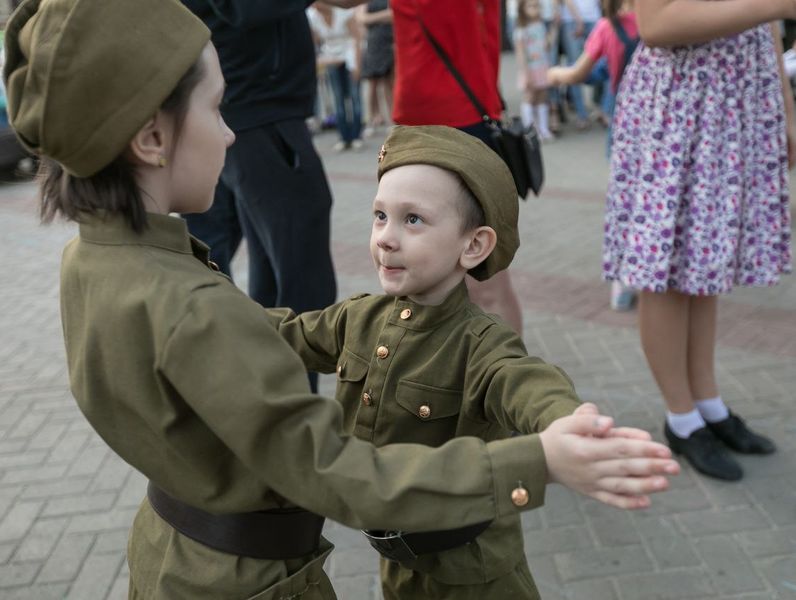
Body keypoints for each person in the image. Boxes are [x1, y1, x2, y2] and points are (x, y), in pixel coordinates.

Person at [4, 1, 680, 597]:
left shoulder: (92, 261)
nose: (231, 132)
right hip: (249, 581)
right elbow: (336, 468)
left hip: (173, 554)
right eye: (216, 108)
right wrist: (541, 461)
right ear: (151, 137)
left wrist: (559, 417)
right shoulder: (189, 307)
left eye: (413, 221)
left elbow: (515, 376)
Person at [268, 126, 681, 600]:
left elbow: (525, 382)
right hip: (398, 562)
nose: (386, 238)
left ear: (474, 246)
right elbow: (282, 335)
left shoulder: (479, 342)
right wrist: (205, 306)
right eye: (379, 216)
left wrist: (568, 420)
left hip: (473, 575)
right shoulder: (357, 318)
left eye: (413, 220)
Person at [603, 0, 796, 481]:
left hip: (733, 101)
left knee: (703, 267)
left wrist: (786, 111)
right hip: (682, 102)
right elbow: (656, 25)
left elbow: (766, 24)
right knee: (667, 271)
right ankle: (681, 418)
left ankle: (707, 402)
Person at [179, 0, 363, 391]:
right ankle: (291, 414)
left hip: (253, 112)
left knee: (273, 275)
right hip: (258, 112)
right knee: (302, 277)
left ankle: (273, 406)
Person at [390, 0, 525, 334]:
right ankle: (493, 379)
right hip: (465, 114)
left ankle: (498, 381)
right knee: (475, 277)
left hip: (439, 119)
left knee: (475, 281)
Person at [548, 0, 639, 311]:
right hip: (664, 128)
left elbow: (577, 74)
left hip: (624, 128)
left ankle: (622, 283)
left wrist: (555, 74)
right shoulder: (656, 23)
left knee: (623, 201)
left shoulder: (605, 27)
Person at [308, 2, 365, 151]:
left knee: (354, 97)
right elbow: (314, 42)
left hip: (349, 55)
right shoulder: (313, 16)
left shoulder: (343, 11)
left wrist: (357, 65)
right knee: (338, 98)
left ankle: (357, 135)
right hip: (331, 57)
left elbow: (357, 38)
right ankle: (344, 136)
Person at [558, 0, 603, 129]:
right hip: (571, 20)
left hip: (595, 17)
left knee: (603, 64)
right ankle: (581, 114)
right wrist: (578, 19)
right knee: (574, 68)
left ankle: (602, 109)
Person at [515, 0, 556, 140]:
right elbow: (521, 55)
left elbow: (547, 45)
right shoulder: (521, 30)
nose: (535, 9)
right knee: (530, 97)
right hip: (530, 70)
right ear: (522, 9)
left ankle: (543, 129)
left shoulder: (540, 26)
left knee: (542, 97)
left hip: (542, 67)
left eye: (537, 6)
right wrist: (526, 74)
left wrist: (554, 27)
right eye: (531, 6)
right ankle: (530, 130)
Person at [356, 0, 395, 138]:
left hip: (390, 41)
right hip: (374, 44)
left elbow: (394, 14)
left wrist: (371, 18)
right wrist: (382, 16)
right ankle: (371, 119)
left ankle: (391, 120)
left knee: (389, 84)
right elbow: (361, 18)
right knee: (372, 84)